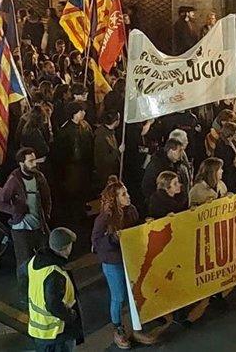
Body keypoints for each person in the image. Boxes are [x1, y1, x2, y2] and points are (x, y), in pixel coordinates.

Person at [91, 177, 155, 349]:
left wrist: (144, 224)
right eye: (124, 194)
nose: (128, 196)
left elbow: (135, 227)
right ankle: (118, 328)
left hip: (131, 258)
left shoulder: (131, 210)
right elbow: (96, 242)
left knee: (136, 293)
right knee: (118, 297)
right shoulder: (105, 218)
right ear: (115, 199)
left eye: (126, 192)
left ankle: (137, 327)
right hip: (114, 263)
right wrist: (112, 239)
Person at [0, 147, 52, 299]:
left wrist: (46, 214)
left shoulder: (39, 177)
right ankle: (24, 294)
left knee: (44, 259)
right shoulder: (14, 181)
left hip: (39, 226)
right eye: (30, 161)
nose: (34, 163)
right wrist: (15, 210)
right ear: (21, 163)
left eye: (34, 159)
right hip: (21, 229)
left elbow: (47, 198)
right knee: (24, 263)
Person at [25, 227, 84, 352]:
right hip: (57, 331)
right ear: (66, 247)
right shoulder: (55, 273)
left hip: (39, 329)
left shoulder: (35, 261)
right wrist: (71, 315)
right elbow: (53, 305)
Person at [141, 138, 191, 208]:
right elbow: (147, 188)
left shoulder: (178, 165)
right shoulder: (155, 165)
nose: (181, 154)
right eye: (179, 151)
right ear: (171, 150)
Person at [93, 110, 121, 189]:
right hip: (105, 173)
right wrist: (118, 151)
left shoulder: (110, 132)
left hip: (110, 170)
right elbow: (105, 158)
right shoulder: (101, 136)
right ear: (115, 121)